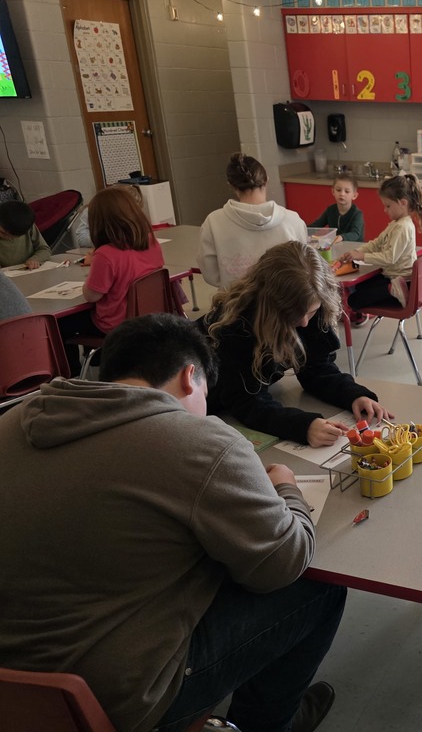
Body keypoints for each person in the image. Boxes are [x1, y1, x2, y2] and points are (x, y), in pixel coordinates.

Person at [0, 313, 345, 732]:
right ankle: (271, 723)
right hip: (116, 700)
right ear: (189, 376)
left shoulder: (15, 421)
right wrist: (286, 489)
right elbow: (283, 561)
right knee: (318, 587)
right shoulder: (198, 442)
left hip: (14, 694)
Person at [202, 240, 391, 447]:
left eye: (310, 312)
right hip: (206, 405)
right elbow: (244, 400)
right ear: (270, 305)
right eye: (292, 315)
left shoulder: (313, 302)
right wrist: (302, 426)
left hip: (236, 398)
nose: (303, 322)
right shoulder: (236, 326)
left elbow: (317, 369)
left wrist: (353, 395)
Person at [58, 186, 167, 375]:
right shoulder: (151, 242)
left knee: (60, 324)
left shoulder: (106, 254)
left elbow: (91, 296)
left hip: (117, 324)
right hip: (149, 316)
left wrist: (91, 272)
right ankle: (98, 360)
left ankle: (72, 375)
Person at [197, 152, 309, 289]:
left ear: (231, 185)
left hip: (235, 304)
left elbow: (210, 273)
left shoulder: (213, 222)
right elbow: (304, 267)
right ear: (266, 180)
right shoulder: (292, 220)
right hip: (284, 304)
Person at [337, 174, 422, 325]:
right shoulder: (396, 223)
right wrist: (356, 252)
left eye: (388, 206)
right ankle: (390, 290)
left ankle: (396, 290)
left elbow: (389, 258)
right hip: (393, 275)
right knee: (358, 287)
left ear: (403, 203)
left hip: (401, 279)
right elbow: (377, 243)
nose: (385, 210)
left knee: (353, 300)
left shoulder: (402, 227)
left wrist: (361, 256)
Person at [311, 172, 364, 242]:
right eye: (338, 190)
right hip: (336, 246)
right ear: (333, 191)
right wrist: (300, 227)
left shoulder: (357, 214)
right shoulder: (330, 210)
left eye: (347, 191)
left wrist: (341, 237)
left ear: (354, 196)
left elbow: (355, 233)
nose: (342, 194)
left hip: (355, 248)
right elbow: (316, 225)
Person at [0, 199, 51, 268]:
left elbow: (45, 249)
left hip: (27, 271)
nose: (6, 237)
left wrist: (35, 259)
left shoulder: (27, 226)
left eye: (13, 237)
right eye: (2, 232)